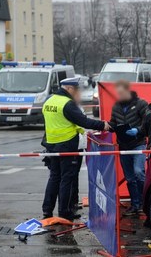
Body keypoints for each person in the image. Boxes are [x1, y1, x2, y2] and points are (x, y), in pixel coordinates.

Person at [42, 77, 109, 220]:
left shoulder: (49, 101)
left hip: (52, 145)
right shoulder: (67, 103)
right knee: (67, 179)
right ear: (70, 89)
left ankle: (47, 210)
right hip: (67, 145)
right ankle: (64, 212)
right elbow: (83, 121)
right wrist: (103, 125)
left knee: (54, 178)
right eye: (76, 89)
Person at [109, 80, 148, 216]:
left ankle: (145, 203)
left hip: (138, 143)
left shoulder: (141, 104)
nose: (119, 95)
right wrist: (108, 127)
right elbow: (113, 123)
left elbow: (147, 122)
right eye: (117, 93)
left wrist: (138, 130)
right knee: (130, 177)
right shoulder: (116, 107)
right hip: (123, 145)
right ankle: (135, 204)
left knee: (138, 172)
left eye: (121, 92)